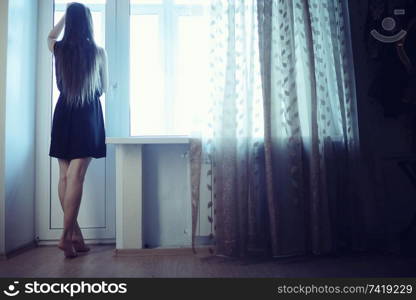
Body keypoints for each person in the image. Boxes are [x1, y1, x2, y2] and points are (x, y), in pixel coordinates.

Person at [47, 2, 108, 258]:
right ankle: (65, 237)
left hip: (63, 113)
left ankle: (76, 237)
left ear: (70, 23)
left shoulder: (58, 49)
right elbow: (103, 88)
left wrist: (64, 18)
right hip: (86, 114)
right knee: (76, 176)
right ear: (89, 22)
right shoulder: (98, 52)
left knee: (65, 176)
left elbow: (50, 35)